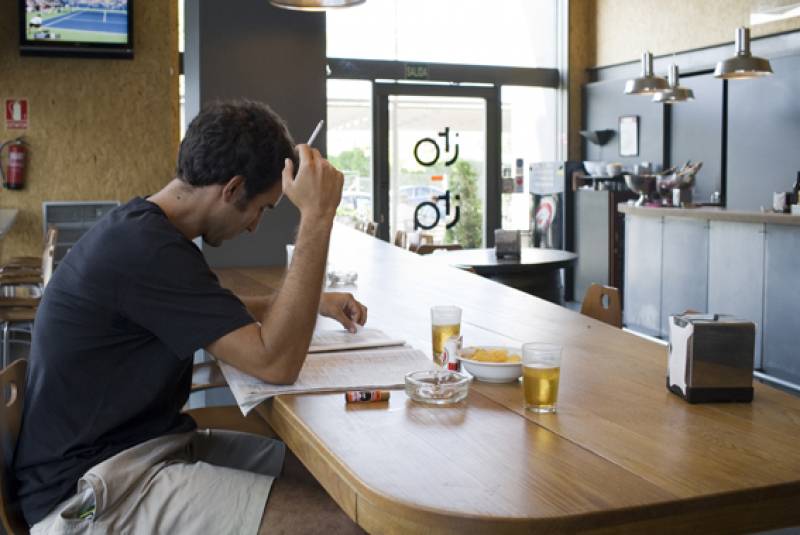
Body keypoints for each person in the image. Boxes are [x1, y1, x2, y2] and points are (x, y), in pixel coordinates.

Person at [13, 100, 368, 534]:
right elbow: (275, 362)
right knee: (342, 525)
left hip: (145, 450)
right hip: (90, 492)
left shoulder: (145, 231)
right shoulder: (147, 249)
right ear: (233, 189)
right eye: (262, 209)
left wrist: (312, 300)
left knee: (343, 489)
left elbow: (217, 311)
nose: (256, 226)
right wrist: (317, 216)